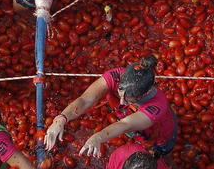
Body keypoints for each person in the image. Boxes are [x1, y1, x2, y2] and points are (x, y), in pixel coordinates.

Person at [44, 55, 178, 158]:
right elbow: (85, 100)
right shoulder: (116, 75)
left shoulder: (157, 105)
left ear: (146, 93)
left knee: (158, 153)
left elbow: (126, 124)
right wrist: (61, 119)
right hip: (130, 122)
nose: (121, 103)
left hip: (157, 133)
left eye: (128, 100)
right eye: (120, 95)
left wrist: (98, 137)